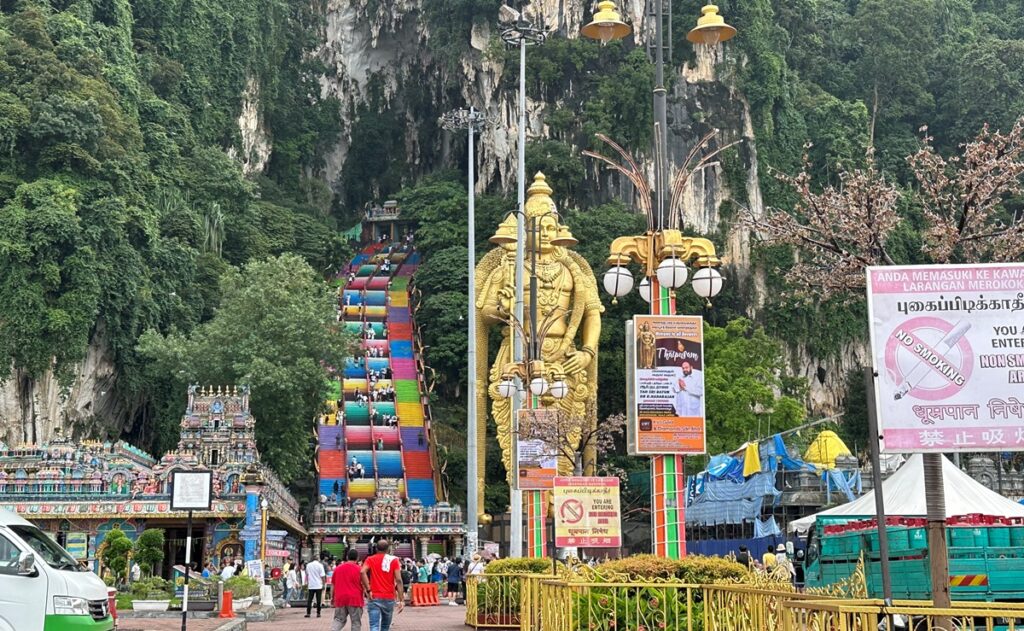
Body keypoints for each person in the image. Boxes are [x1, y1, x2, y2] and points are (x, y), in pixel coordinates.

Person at [362, 539, 404, 631]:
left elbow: (362, 572)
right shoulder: (394, 560)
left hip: (374, 596)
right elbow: (399, 580)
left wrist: (368, 589)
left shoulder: (370, 559)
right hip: (389, 597)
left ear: (376, 549)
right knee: (385, 627)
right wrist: (401, 599)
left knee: (374, 626)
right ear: (388, 549)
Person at [332, 549, 364, 631]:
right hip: (355, 599)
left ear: (347, 557)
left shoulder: (337, 569)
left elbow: (333, 585)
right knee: (356, 622)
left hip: (340, 598)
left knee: (338, 620)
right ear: (357, 558)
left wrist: (333, 597)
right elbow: (364, 584)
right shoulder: (360, 569)